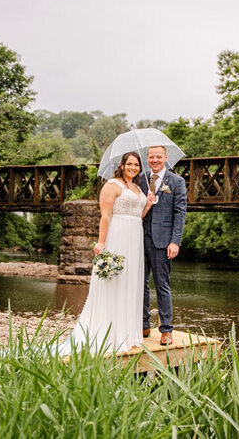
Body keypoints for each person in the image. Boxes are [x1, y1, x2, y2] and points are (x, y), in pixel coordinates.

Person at [61, 151, 153, 354]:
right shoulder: (112, 185)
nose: (133, 168)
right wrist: (101, 242)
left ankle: (128, 333)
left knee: (131, 281)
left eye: (136, 165)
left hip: (135, 237)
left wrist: (147, 204)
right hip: (118, 235)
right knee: (115, 280)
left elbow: (139, 215)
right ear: (122, 165)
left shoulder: (137, 187)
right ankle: (110, 332)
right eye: (129, 164)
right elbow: (106, 215)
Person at [140, 145, 187, 346]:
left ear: (166, 158)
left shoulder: (176, 182)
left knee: (162, 285)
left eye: (159, 156)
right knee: (140, 284)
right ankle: (143, 324)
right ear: (147, 158)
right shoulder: (140, 179)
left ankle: (166, 329)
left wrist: (175, 241)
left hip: (163, 241)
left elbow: (180, 213)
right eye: (151, 157)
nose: (155, 160)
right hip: (140, 238)